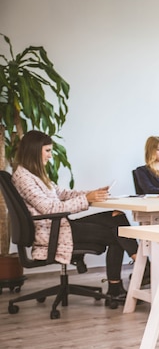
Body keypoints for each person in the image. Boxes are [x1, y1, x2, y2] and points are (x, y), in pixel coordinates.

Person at [12, 130, 139, 303]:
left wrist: (92, 193)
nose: (50, 156)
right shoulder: (24, 178)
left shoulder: (35, 174)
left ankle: (138, 266)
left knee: (116, 216)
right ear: (34, 150)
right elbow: (50, 208)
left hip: (60, 225)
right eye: (47, 151)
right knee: (120, 232)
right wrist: (86, 199)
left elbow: (62, 193)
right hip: (54, 233)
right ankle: (126, 279)